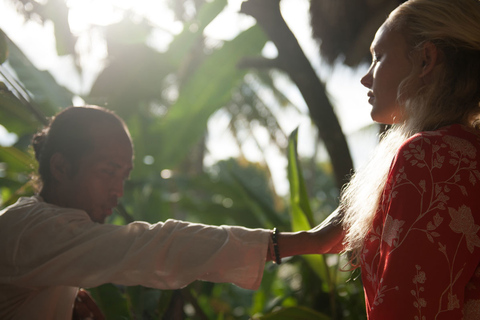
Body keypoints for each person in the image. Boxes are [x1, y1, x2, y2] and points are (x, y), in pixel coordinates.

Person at [0, 105, 331, 319]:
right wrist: (310, 241)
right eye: (107, 172)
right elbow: (159, 245)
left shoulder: (47, 234)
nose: (118, 191)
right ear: (61, 166)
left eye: (124, 176)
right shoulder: (30, 230)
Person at [312, 0, 480, 318]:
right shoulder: (466, 150)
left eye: (379, 57)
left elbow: (406, 307)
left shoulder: (429, 156)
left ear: (426, 60)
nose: (366, 78)